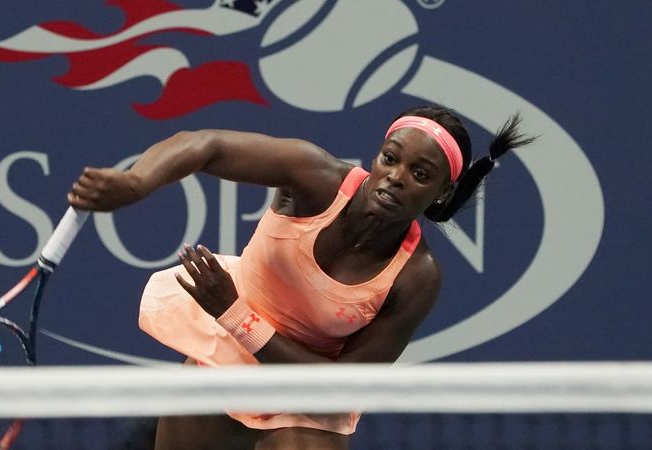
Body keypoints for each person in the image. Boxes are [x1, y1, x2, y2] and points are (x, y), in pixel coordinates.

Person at [67, 105, 535, 449]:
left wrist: (236, 315)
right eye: (390, 158)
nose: (395, 176)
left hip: (306, 388)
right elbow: (208, 144)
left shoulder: (416, 277)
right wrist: (136, 183)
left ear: (442, 192)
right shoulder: (314, 178)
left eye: (420, 173)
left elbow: (339, 390)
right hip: (225, 358)